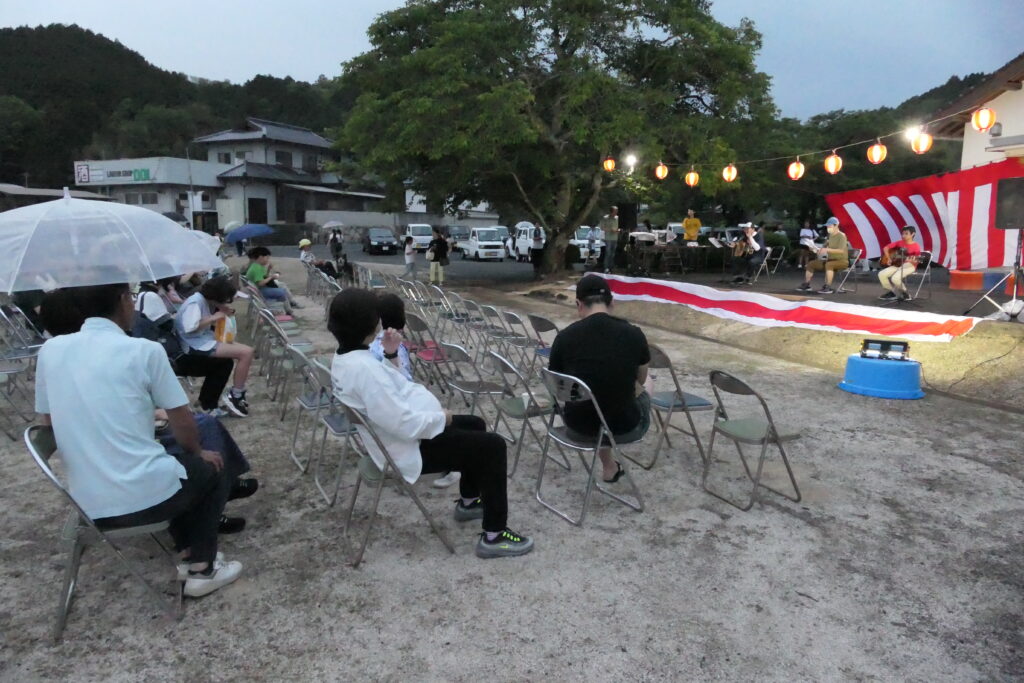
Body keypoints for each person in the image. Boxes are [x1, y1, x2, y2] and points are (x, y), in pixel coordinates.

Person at [34, 283, 243, 597]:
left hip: (87, 504)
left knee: (176, 465)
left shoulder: (50, 350)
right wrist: (197, 452)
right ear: (122, 301)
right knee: (209, 465)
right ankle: (202, 567)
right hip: (142, 501)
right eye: (131, 298)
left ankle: (189, 552)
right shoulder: (144, 350)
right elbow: (183, 421)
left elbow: (48, 423)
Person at [329, 288, 533, 558]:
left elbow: (391, 390)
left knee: (475, 424)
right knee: (493, 446)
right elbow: (402, 423)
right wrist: (442, 418)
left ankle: (470, 502)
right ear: (367, 323)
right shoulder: (363, 369)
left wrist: (391, 356)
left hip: (402, 437)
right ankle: (495, 536)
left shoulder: (348, 357)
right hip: (407, 447)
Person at [548, 274, 651, 483]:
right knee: (647, 382)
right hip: (625, 426)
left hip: (577, 426)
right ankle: (609, 465)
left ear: (579, 304)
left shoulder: (564, 337)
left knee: (592, 393)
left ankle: (609, 466)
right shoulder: (634, 334)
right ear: (612, 302)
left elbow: (556, 386)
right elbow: (640, 380)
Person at [370, 293, 462, 489]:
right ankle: (453, 464)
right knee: (447, 420)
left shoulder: (369, 346)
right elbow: (402, 383)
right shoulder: (393, 346)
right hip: (402, 413)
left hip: (384, 416)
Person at [135, 281, 234, 417]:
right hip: (173, 356)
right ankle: (208, 405)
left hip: (168, 351)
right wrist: (179, 317)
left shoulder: (143, 295)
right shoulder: (152, 297)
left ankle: (205, 403)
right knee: (224, 363)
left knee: (223, 361)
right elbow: (172, 326)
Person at [175, 276, 255, 417]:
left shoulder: (203, 300)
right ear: (216, 295)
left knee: (227, 362)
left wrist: (220, 310)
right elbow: (189, 327)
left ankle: (207, 404)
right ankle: (236, 395)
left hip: (202, 340)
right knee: (246, 353)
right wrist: (215, 317)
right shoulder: (195, 302)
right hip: (193, 346)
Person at [796, 217, 849, 294]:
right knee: (811, 264)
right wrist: (816, 249)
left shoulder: (842, 236)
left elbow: (841, 251)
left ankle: (828, 287)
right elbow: (823, 247)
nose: (828, 228)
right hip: (830, 260)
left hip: (842, 261)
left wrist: (826, 250)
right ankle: (807, 284)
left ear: (836, 225)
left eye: (829, 226)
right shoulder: (830, 236)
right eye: (827, 226)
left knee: (829, 264)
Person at [244, 247, 301, 312]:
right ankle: (288, 311)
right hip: (260, 291)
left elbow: (264, 277)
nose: (268, 260)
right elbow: (260, 283)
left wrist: (269, 270)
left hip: (258, 290)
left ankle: (286, 310)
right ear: (260, 257)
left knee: (281, 291)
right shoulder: (256, 268)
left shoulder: (256, 266)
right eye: (267, 258)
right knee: (282, 292)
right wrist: (271, 277)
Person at [878, 225, 922, 301]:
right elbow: (885, 248)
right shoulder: (899, 242)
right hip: (897, 264)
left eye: (906, 233)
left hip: (910, 265)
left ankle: (905, 293)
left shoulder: (916, 246)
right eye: (903, 234)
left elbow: (917, 260)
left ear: (913, 234)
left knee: (895, 278)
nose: (903, 236)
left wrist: (912, 260)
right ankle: (892, 292)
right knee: (881, 274)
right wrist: (889, 258)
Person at [599, 206, 619, 273]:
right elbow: (602, 228)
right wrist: (610, 230)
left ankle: (611, 267)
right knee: (608, 253)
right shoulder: (605, 218)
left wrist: (618, 230)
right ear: (611, 211)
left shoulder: (617, 218)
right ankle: (606, 268)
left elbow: (620, 227)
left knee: (613, 254)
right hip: (608, 238)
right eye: (615, 211)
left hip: (615, 238)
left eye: (617, 211)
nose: (616, 212)